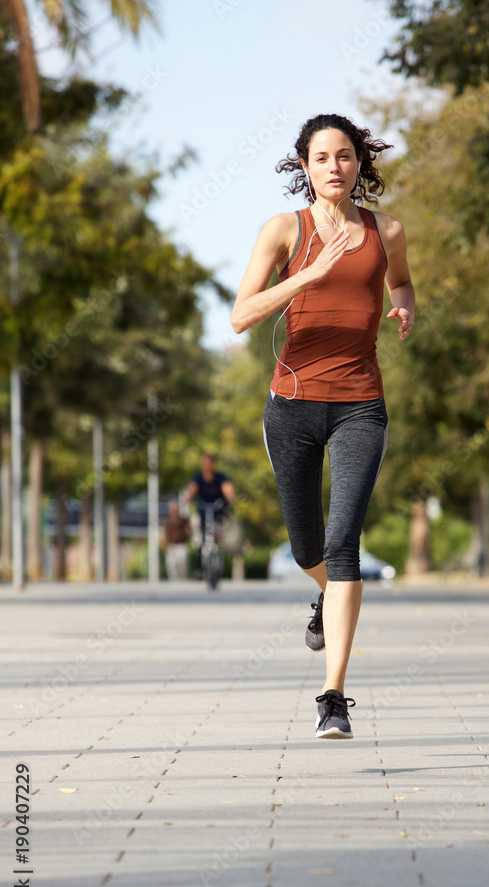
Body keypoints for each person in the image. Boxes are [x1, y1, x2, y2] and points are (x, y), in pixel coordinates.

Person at [231, 113, 415, 740]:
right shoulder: (285, 230)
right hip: (292, 406)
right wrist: (308, 273)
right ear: (304, 167)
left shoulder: (386, 230)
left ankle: (333, 694)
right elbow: (240, 317)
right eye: (320, 158)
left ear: (359, 161)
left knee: (344, 548)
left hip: (361, 403)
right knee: (309, 549)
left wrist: (405, 303)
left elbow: (403, 280)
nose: (333, 167)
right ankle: (326, 594)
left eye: (344, 155)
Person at [184, 454, 236, 572]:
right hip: (202, 512)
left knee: (224, 528)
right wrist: (188, 497)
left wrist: (230, 496)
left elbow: (227, 489)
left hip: (218, 512)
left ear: (213, 464)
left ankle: (220, 549)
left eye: (209, 463)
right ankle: (199, 554)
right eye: (205, 463)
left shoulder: (220, 477)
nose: (207, 466)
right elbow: (191, 490)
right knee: (196, 526)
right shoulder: (198, 478)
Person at [163, 500, 192, 580]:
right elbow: (165, 533)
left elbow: (189, 530)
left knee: (182, 564)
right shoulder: (167, 520)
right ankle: (173, 580)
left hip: (181, 545)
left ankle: (183, 579)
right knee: (171, 565)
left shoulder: (183, 520)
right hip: (172, 545)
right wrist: (166, 544)